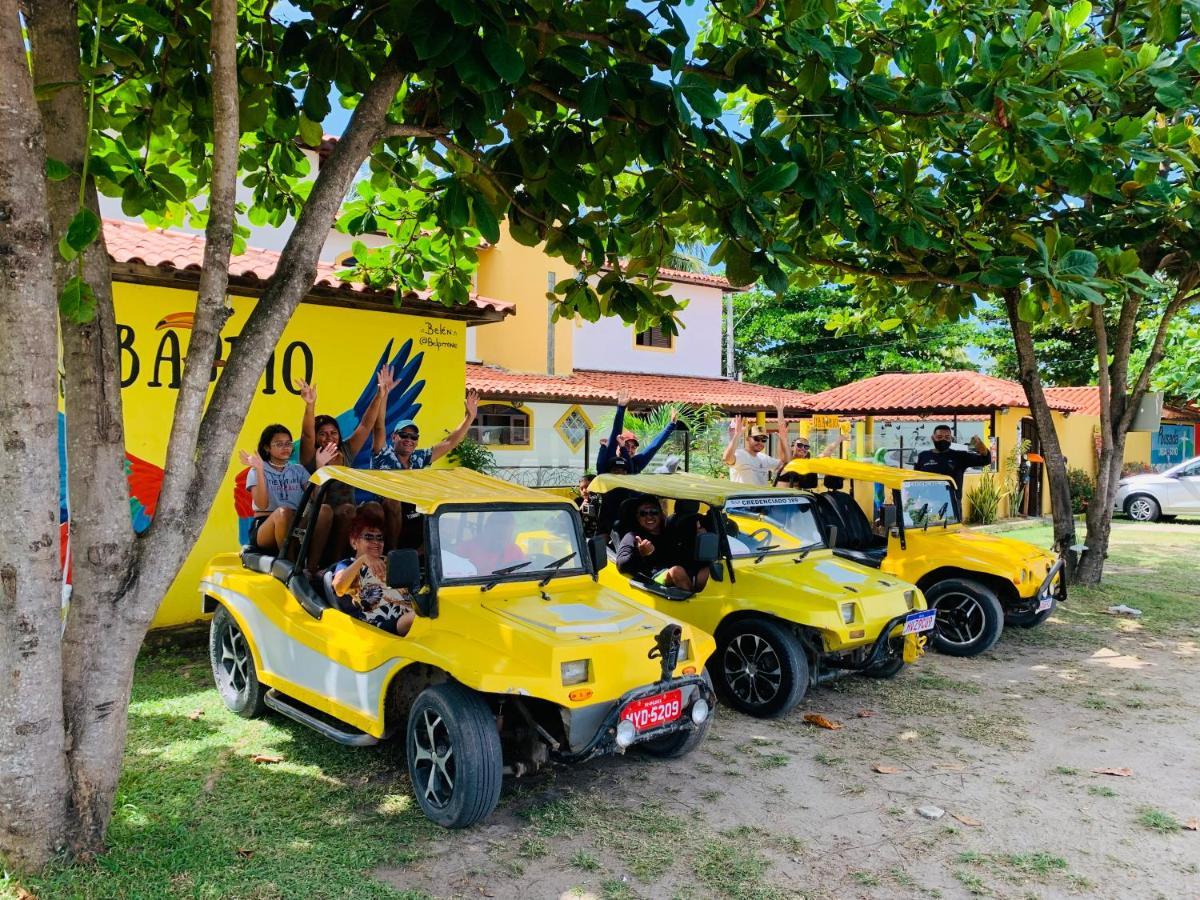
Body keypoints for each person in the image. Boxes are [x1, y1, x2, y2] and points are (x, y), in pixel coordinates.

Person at [295, 366, 390, 564]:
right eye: (323, 434)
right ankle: (329, 565)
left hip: (348, 512)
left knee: (374, 508)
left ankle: (384, 558)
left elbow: (365, 425)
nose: (329, 437)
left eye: (333, 433)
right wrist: (310, 405)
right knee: (343, 510)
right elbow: (307, 434)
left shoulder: (346, 450)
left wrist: (380, 394)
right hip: (318, 517)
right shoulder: (311, 456)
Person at [371, 385, 480, 546]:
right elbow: (378, 426)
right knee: (392, 501)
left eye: (414, 437)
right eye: (404, 435)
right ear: (394, 437)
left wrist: (469, 417)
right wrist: (383, 394)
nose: (409, 439)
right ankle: (393, 554)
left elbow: (449, 442)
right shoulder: (383, 453)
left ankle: (427, 556)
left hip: (414, 511)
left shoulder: (419, 458)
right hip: (387, 512)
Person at [238, 425, 335, 570]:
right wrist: (259, 470)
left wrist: (320, 465)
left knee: (325, 510)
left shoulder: (298, 469)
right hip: (266, 525)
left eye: (288, 443)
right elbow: (262, 504)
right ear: (267, 448)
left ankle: (312, 567)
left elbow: (318, 497)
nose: (286, 447)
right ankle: (291, 567)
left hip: (295, 521)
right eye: (279, 444)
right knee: (283, 512)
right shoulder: (256, 470)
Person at [331, 511, 416, 636]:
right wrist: (363, 559)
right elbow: (339, 587)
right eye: (369, 537)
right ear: (354, 542)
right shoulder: (348, 564)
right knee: (424, 617)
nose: (376, 542)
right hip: (380, 623)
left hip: (409, 614)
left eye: (379, 538)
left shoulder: (390, 561)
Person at [615, 497, 698, 591]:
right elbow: (621, 565)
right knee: (677, 571)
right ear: (637, 517)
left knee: (706, 572)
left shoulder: (670, 528)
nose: (649, 517)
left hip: (680, 568)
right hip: (653, 579)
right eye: (643, 514)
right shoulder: (633, 536)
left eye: (654, 512)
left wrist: (699, 535)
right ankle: (693, 603)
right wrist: (640, 553)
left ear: (661, 514)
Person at [596, 389, 680, 474]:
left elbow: (653, 447)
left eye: (633, 447)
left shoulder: (636, 464)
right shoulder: (610, 458)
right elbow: (616, 432)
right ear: (619, 444)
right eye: (626, 445)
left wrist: (671, 425)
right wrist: (621, 408)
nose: (629, 449)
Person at [914, 425, 992, 497]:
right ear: (933, 438)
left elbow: (986, 460)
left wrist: (980, 446)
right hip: (926, 501)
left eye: (947, 437)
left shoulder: (960, 456)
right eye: (939, 437)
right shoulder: (923, 456)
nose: (943, 440)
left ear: (951, 439)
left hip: (953, 503)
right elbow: (915, 479)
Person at [723, 402, 789, 485]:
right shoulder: (740, 455)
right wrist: (737, 435)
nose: (760, 442)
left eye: (763, 439)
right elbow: (727, 458)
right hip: (743, 497)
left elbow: (785, 464)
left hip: (760, 497)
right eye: (756, 438)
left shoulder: (764, 458)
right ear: (748, 438)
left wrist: (783, 439)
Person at [458, 511, 525, 574]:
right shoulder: (466, 548)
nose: (500, 540)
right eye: (497, 534)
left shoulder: (515, 551)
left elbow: (522, 574)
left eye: (504, 536)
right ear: (486, 529)